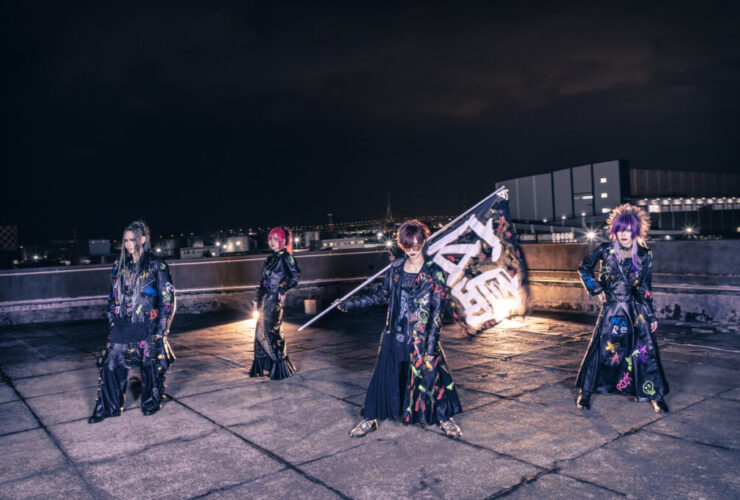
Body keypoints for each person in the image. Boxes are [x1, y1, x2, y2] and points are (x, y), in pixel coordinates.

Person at [337, 220, 463, 438]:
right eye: (407, 245)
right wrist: (349, 304)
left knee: (431, 379)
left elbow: (437, 313)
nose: (412, 250)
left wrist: (431, 346)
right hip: (394, 335)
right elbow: (381, 295)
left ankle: (444, 419)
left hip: (421, 337)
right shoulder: (395, 269)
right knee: (382, 379)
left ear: (423, 241)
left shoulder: (434, 272)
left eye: (416, 244)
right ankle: (370, 418)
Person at [575, 204, 669, 412]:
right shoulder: (604, 250)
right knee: (599, 349)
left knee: (644, 350)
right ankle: (585, 393)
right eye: (620, 230)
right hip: (611, 309)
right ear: (614, 231)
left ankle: (655, 395)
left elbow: (645, 287)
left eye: (628, 230)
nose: (623, 234)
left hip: (635, 311)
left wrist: (651, 315)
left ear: (635, 231)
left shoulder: (645, 254)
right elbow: (583, 267)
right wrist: (597, 288)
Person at [89, 220, 176, 423]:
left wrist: (161, 328)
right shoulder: (118, 265)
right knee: (110, 364)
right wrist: (112, 319)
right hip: (123, 324)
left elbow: (167, 298)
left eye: (132, 240)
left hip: (147, 324)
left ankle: (151, 403)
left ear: (142, 239)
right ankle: (108, 407)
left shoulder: (157, 264)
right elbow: (112, 295)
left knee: (150, 366)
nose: (128, 244)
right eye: (125, 240)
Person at [250, 226, 301, 380]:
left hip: (273, 300)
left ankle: (279, 364)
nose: (271, 241)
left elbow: (295, 276)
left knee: (268, 332)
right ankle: (272, 364)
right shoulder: (270, 259)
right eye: (270, 238)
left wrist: (283, 290)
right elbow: (263, 281)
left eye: (275, 238)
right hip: (263, 299)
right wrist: (256, 300)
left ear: (283, 240)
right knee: (260, 334)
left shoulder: (286, 258)